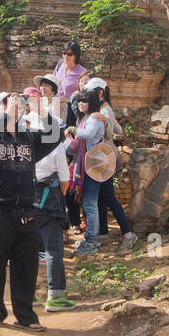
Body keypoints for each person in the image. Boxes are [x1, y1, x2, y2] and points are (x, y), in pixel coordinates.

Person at [0, 93, 46, 329]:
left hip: (26, 208)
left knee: (26, 263)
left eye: (17, 103)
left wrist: (42, 111)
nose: (15, 106)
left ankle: (26, 316)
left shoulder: (28, 136)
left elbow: (54, 136)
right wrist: (4, 116)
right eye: (6, 103)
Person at [83, 78, 137, 252]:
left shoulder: (105, 110)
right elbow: (119, 129)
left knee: (108, 197)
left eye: (90, 94)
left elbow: (112, 132)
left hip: (104, 160)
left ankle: (128, 233)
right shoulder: (101, 109)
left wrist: (106, 122)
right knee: (102, 197)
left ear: (99, 93)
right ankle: (103, 232)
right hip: (99, 160)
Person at [34, 130, 76, 310]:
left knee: (27, 250)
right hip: (50, 204)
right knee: (53, 249)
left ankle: (27, 295)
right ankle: (56, 296)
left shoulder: (26, 144)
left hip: (27, 203)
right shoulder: (56, 147)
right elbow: (65, 180)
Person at [71, 87, 106, 254]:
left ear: (91, 102)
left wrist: (74, 131)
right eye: (79, 100)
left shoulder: (95, 118)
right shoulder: (84, 117)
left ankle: (91, 241)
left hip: (94, 166)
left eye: (84, 100)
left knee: (90, 204)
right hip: (86, 165)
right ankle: (90, 238)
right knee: (88, 204)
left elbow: (89, 134)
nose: (81, 104)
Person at [51, 41, 84, 121]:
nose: (66, 56)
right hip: (54, 107)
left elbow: (84, 95)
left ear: (76, 56)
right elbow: (52, 83)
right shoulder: (60, 65)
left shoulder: (82, 73)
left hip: (70, 112)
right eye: (64, 53)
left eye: (69, 54)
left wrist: (68, 101)